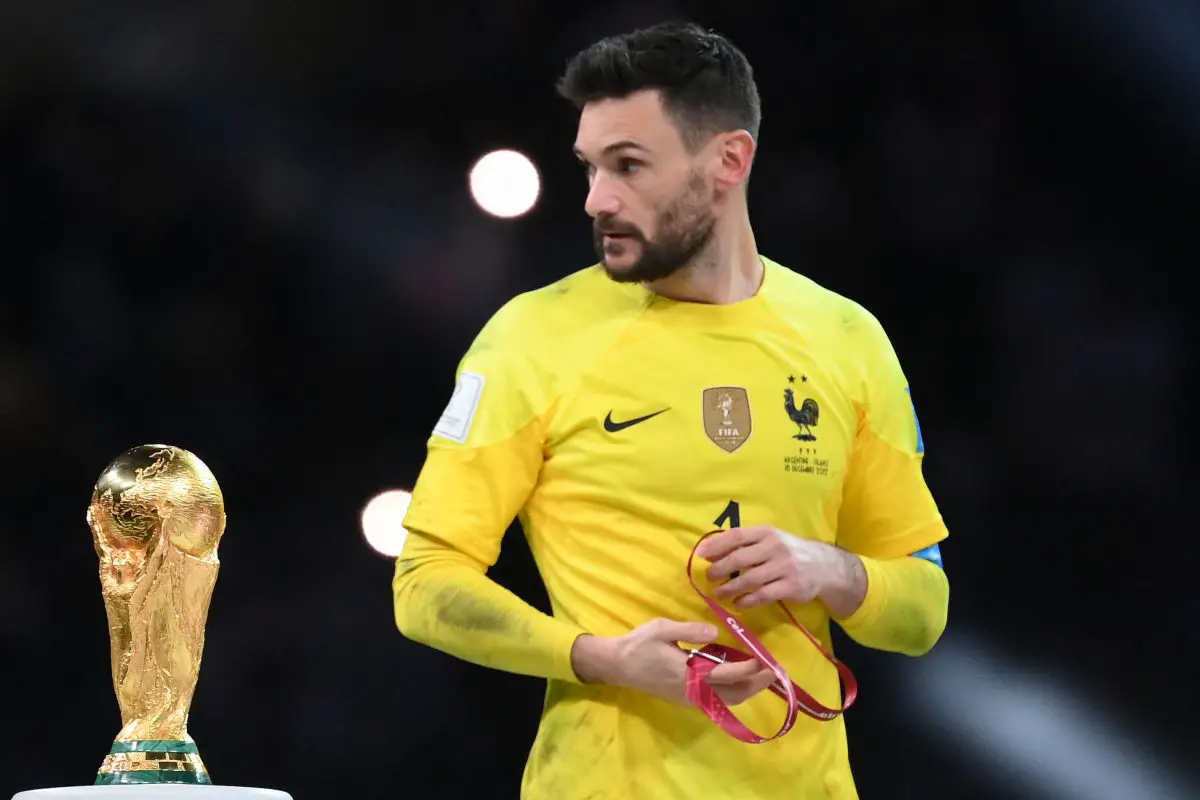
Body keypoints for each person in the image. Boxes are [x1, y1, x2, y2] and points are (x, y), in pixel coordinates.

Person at [393, 20, 950, 800]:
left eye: (628, 166)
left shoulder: (849, 340)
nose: (598, 200)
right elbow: (425, 584)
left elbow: (922, 611)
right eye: (589, 167)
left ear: (728, 160)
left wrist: (829, 569)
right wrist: (601, 656)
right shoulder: (531, 337)